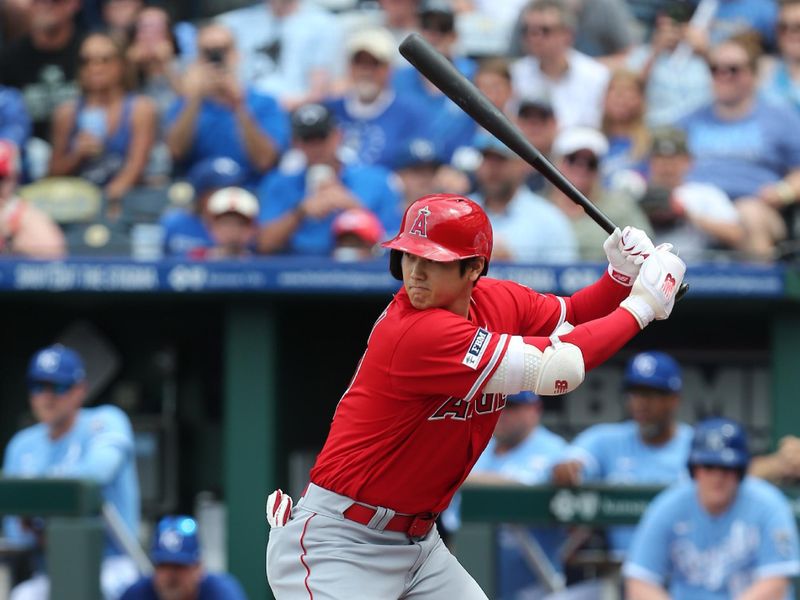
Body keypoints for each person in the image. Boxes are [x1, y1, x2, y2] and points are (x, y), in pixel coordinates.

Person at [265, 193, 686, 599]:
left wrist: (619, 277)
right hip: (341, 544)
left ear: (474, 268)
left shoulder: (498, 300)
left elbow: (572, 317)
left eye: (433, 261)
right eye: (409, 256)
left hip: (419, 544)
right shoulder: (412, 332)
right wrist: (643, 305)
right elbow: (561, 368)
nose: (415, 273)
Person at [3, 344, 140, 600]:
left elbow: (96, 474)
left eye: (58, 386)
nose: (47, 397)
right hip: (51, 570)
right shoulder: (21, 445)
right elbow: (16, 534)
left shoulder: (106, 421)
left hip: (112, 564)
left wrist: (36, 505)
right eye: (37, 387)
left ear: (80, 390)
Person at [623, 417, 800, 600]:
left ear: (740, 471)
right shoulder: (669, 505)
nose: (717, 477)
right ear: (694, 469)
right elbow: (640, 580)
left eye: (726, 468)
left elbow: (775, 584)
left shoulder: (768, 504)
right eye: (709, 467)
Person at [551, 350, 693, 557]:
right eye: (634, 393)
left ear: (674, 399)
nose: (640, 403)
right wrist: (568, 469)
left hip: (683, 570)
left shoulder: (695, 445)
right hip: (620, 568)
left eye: (650, 394)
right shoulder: (606, 439)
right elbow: (572, 463)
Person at [680, 36, 800, 260]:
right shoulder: (689, 121)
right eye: (715, 69)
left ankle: (758, 290)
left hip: (757, 209)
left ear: (754, 75)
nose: (723, 76)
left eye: (733, 69)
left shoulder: (781, 118)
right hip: (696, 208)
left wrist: (782, 192)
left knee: (749, 213)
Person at [256, 102, 402, 255]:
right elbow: (264, 244)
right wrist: (300, 211)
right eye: (308, 140)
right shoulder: (279, 184)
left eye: (321, 137)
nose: (316, 147)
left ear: (338, 135)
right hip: (295, 271)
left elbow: (391, 242)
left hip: (359, 271)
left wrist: (353, 207)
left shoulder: (376, 181)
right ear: (295, 143)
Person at [466, 391, 569, 600]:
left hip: (538, 582)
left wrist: (462, 479)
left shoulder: (554, 449)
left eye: (511, 406)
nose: (502, 413)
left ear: (535, 410)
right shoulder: (480, 446)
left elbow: (522, 492)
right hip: (472, 577)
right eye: (498, 405)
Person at [164, 22, 289, 186]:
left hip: (251, 192)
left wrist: (239, 105)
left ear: (237, 55)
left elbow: (265, 161)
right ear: (197, 59)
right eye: (207, 52)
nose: (216, 59)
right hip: (200, 196)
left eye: (223, 50)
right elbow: (176, 152)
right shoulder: (183, 105)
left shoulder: (266, 103)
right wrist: (194, 98)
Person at [48, 31, 158, 216]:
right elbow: (52, 173)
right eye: (86, 61)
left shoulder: (141, 109)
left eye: (105, 59)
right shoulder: (66, 113)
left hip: (125, 203)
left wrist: (104, 204)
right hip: (75, 205)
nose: (95, 67)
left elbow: (135, 168)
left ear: (122, 65)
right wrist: (76, 155)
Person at [326, 27, 428, 171]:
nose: (366, 71)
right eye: (359, 63)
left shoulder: (410, 114)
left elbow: (418, 167)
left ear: (389, 69)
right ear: (349, 67)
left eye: (374, 64)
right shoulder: (329, 110)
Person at [545, 126, 653, 261]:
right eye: (573, 159)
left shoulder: (620, 206)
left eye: (591, 163)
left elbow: (644, 253)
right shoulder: (538, 205)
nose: (581, 168)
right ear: (557, 162)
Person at [216, 0, 345, 111]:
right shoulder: (232, 23)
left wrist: (268, 110)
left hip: (295, 114)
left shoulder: (324, 24)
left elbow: (318, 93)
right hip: (242, 110)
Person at [470, 132, 578, 263]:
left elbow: (564, 277)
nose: (493, 169)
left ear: (522, 164)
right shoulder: (462, 212)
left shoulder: (549, 219)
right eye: (487, 159)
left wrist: (512, 268)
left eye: (501, 160)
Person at [640, 127, 744, 259]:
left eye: (674, 159)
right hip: (644, 266)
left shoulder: (705, 193)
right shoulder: (636, 191)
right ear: (649, 161)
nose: (667, 166)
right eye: (660, 158)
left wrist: (686, 213)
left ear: (688, 161)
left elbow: (736, 235)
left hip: (696, 267)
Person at [510, 0, 610, 129]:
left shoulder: (597, 76)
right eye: (527, 30)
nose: (534, 37)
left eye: (545, 30)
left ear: (568, 34)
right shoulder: (514, 74)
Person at [0, 0, 83, 141]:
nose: (45, 6)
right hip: (25, 149)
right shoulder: (8, 57)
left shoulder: (90, 51)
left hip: (81, 147)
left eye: (54, 2)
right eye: (37, 2)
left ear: (73, 4)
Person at [120, 515, 246, 600]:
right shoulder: (137, 594)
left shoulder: (220, 593)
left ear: (198, 568)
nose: (171, 576)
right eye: (163, 566)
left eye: (179, 566)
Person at [160, 156, 247, 257]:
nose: (230, 195)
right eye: (222, 190)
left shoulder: (246, 224)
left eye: (235, 189)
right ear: (202, 195)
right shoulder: (176, 223)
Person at [0, 140, 65, 258]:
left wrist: (15, 245)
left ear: (15, 178)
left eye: (1, 179)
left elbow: (55, 264)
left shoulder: (27, 219)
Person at [188, 186, 259, 260]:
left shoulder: (261, 260)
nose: (232, 230)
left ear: (252, 229)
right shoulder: (196, 258)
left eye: (240, 224)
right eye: (225, 223)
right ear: (211, 227)